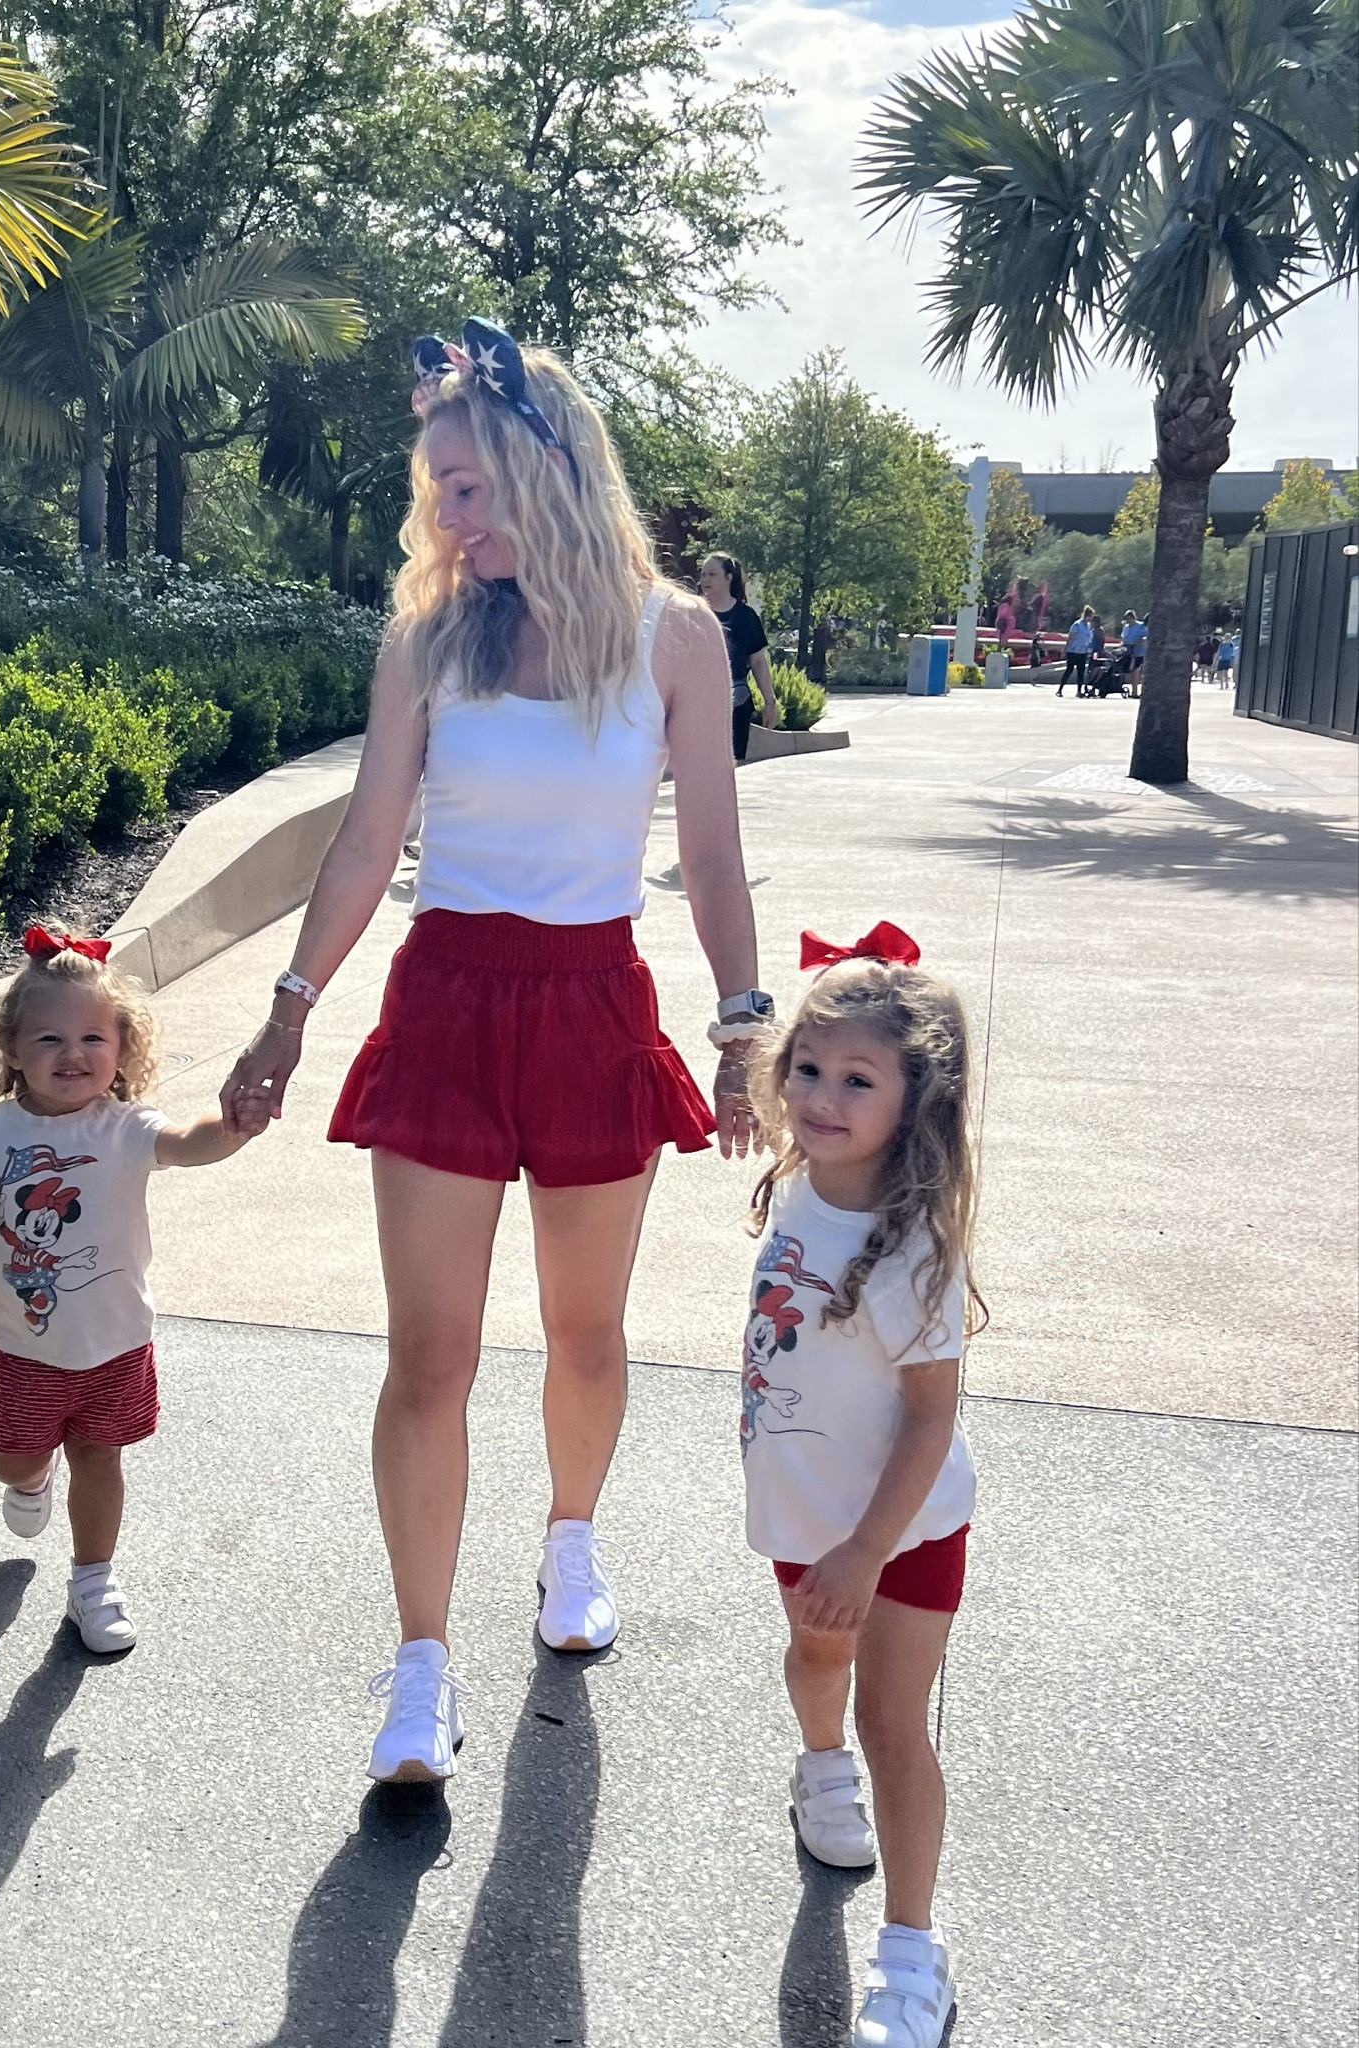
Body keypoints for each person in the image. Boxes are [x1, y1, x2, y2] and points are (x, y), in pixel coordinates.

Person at [218, 318, 766, 1784]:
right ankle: (418, 1667)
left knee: (585, 1335)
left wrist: (739, 1021)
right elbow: (361, 842)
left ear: (545, 465)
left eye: (464, 487)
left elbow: (710, 853)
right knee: (428, 1359)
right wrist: (286, 1011)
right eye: (435, 494)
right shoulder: (425, 637)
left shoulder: (674, 639)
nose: (444, 520)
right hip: (447, 1002)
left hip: (593, 1002)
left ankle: (569, 1540)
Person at [739, 922, 984, 2048]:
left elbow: (932, 1419)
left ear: (914, 1098)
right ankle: (816, 1764)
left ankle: (911, 1954)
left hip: (901, 1524)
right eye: (809, 1068)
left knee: (898, 1723)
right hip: (806, 1508)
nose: (823, 1096)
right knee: (815, 1658)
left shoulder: (913, 1245)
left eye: (857, 1078)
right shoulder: (799, 1182)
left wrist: (865, 1551)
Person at [0, 926, 253, 1652]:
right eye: (49, 1040)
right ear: (12, 1049)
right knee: (11, 1459)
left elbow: (188, 1142)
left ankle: (93, 1580)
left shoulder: (127, 1128)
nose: (72, 1055)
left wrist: (231, 1127)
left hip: (116, 1344)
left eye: (91, 1039)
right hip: (26, 1349)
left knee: (102, 1458)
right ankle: (29, 1476)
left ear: (122, 1048)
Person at [699, 552, 779, 761]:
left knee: (730, 765)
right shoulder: (692, 614)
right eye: (703, 574)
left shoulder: (746, 617)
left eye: (712, 574)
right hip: (697, 703)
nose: (705, 579)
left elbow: (758, 661)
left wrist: (769, 702)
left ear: (728, 578)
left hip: (736, 701)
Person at [1058, 607, 1094, 695]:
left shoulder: (1088, 626)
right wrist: (1066, 648)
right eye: (1091, 616)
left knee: (1081, 671)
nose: (1091, 618)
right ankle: (1060, 689)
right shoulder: (1077, 625)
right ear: (1087, 615)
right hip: (1073, 651)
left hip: (1082, 651)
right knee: (1069, 670)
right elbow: (1070, 637)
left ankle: (1079, 691)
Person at [1120, 611, 1147, 697]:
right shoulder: (1126, 628)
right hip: (1129, 652)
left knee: (1136, 671)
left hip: (1139, 652)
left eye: (1130, 619)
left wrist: (1140, 641)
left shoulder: (1141, 626)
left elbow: (1146, 636)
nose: (1129, 621)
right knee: (1131, 672)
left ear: (1134, 618)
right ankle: (1133, 690)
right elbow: (1123, 638)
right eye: (1127, 619)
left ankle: (1135, 692)